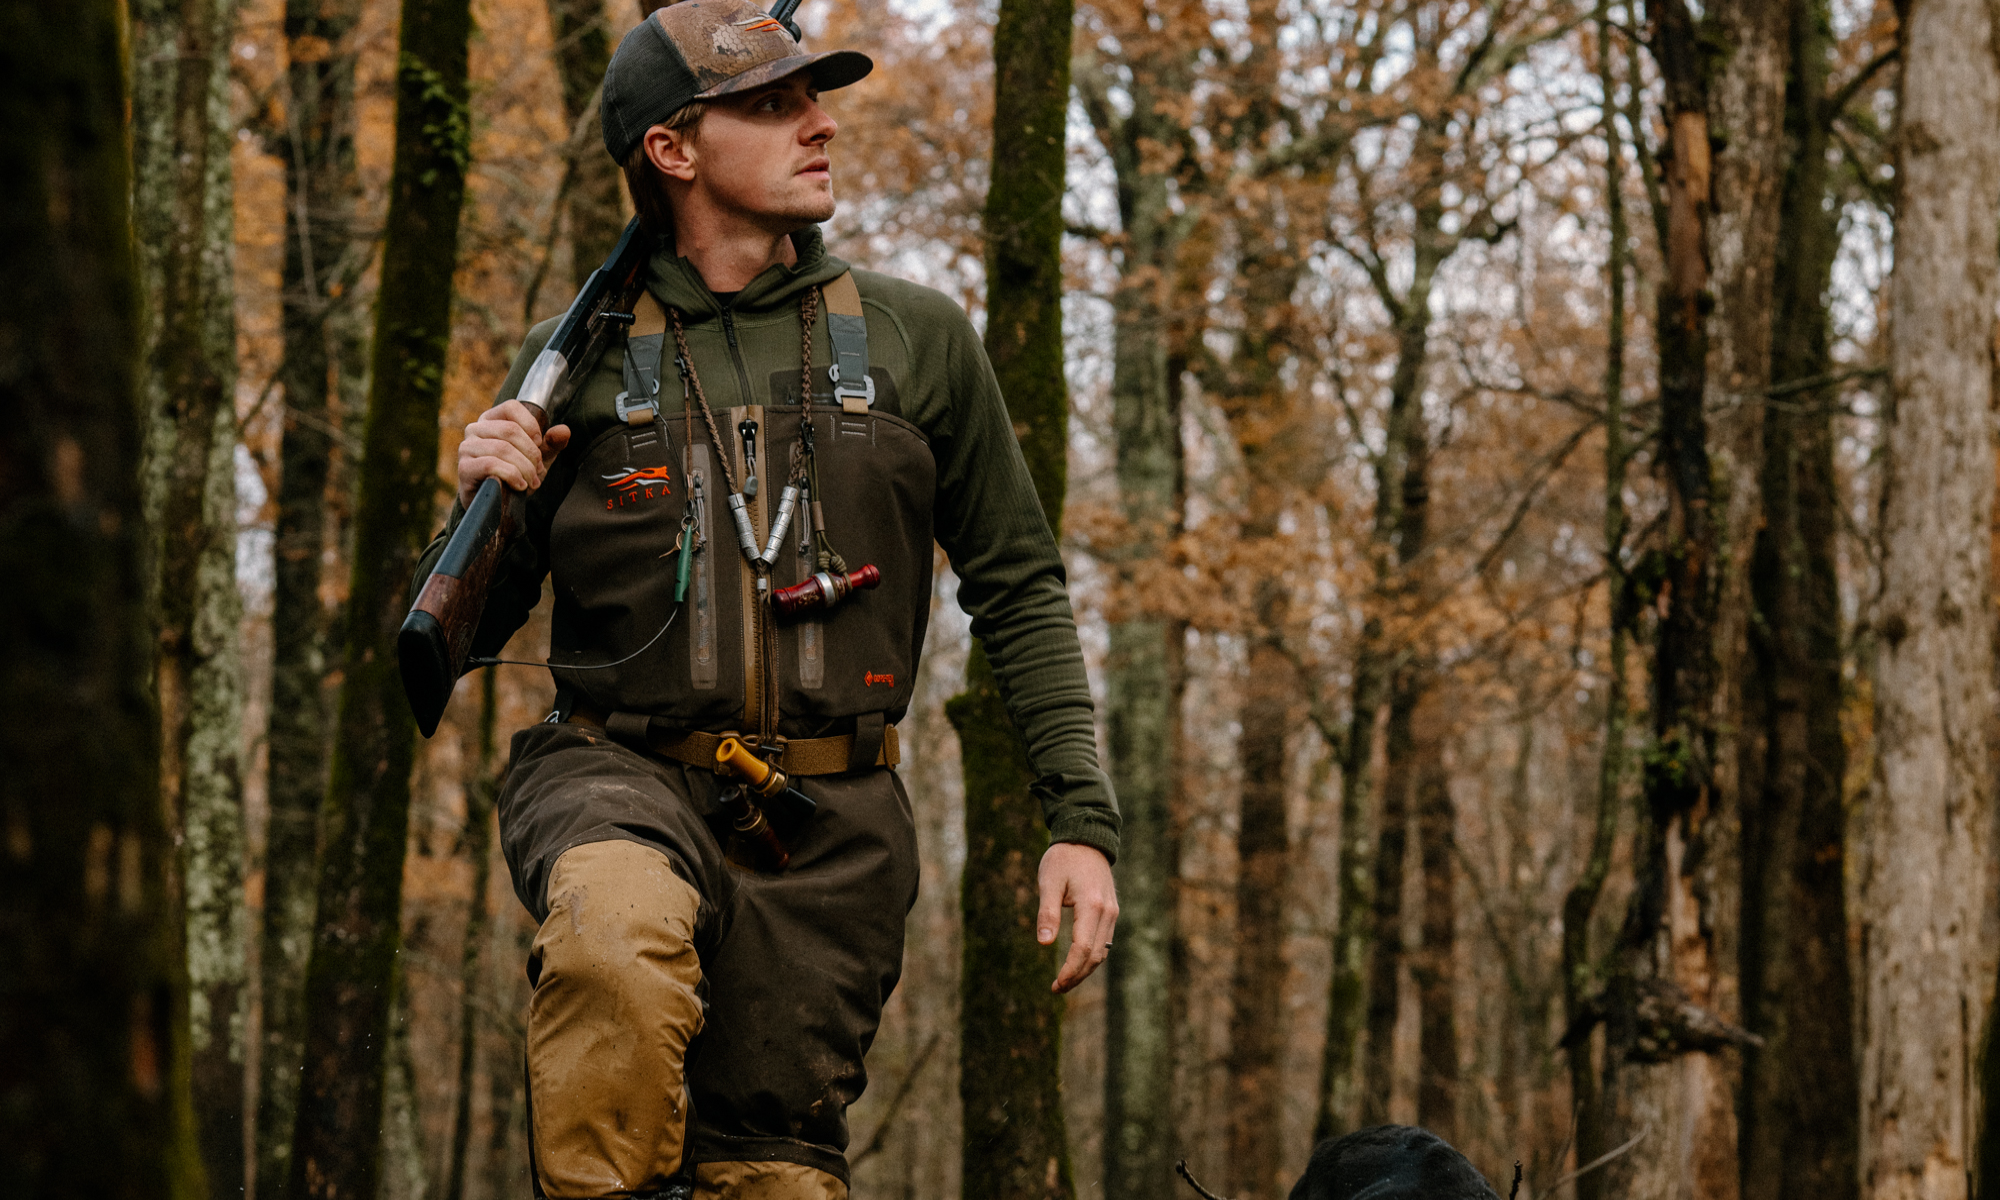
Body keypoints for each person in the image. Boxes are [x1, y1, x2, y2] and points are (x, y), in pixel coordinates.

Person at [419, 2, 1120, 1196]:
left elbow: (1018, 587)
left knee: (771, 1177)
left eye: (814, 97)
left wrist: (1078, 822)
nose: (819, 124)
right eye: (771, 104)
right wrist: (487, 491)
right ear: (671, 150)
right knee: (610, 938)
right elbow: (450, 645)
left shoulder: (916, 339)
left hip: (829, 833)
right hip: (617, 776)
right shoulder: (569, 360)